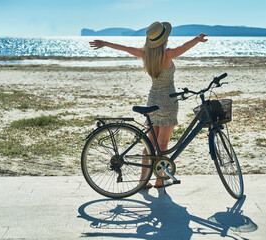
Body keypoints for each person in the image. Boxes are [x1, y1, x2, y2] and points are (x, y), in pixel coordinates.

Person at [89, 21, 208, 188]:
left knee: (148, 145)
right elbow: (184, 47)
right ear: (164, 39)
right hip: (167, 103)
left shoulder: (146, 54)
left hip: (152, 101)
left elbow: (125, 48)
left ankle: (142, 181)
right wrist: (197, 39)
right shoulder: (167, 54)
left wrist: (105, 43)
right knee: (163, 145)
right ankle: (160, 180)